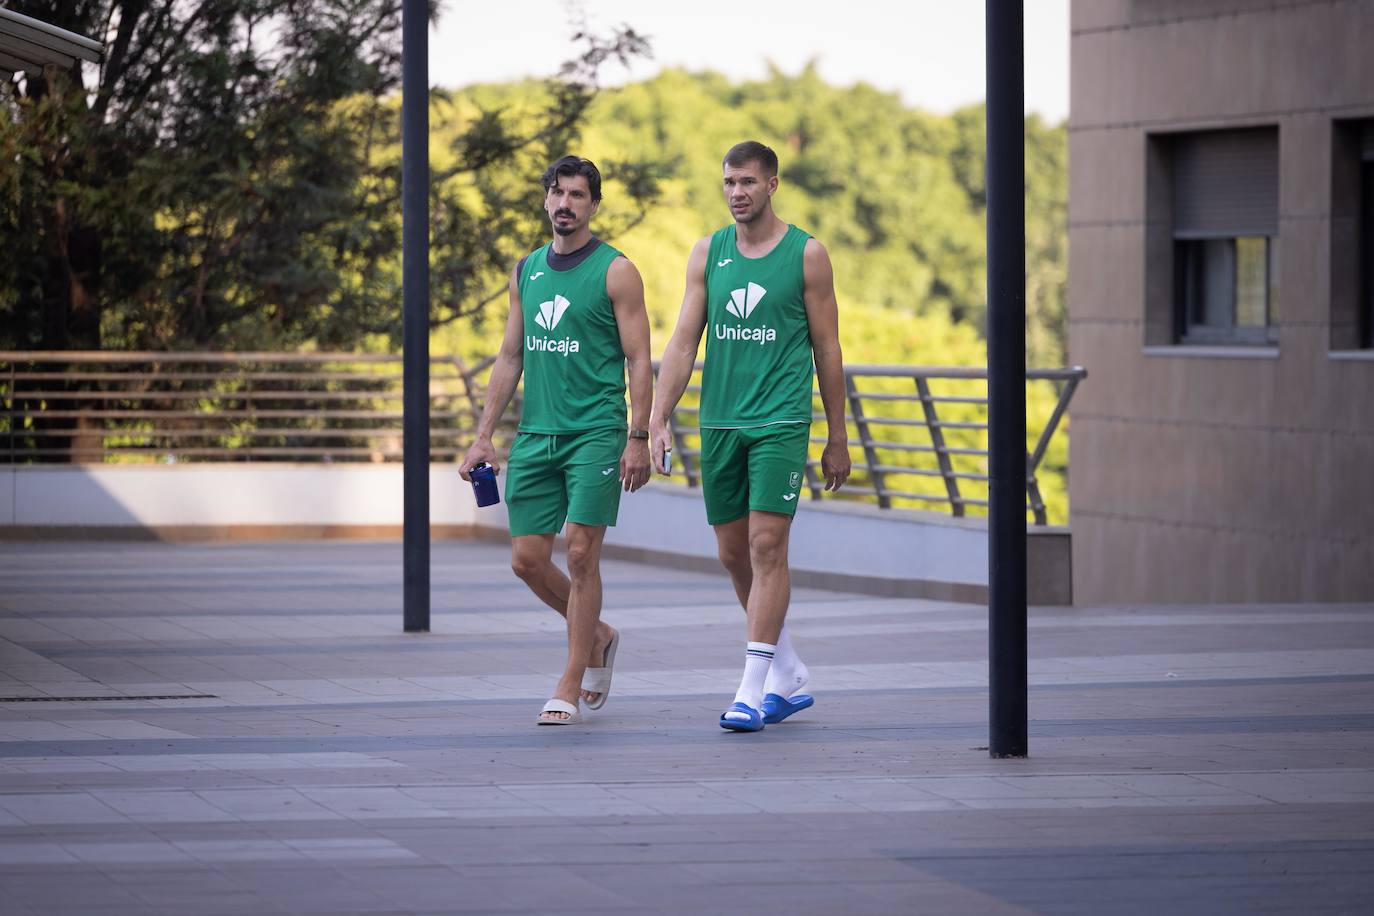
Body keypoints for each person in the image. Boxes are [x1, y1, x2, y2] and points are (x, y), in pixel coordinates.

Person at [650, 140, 851, 732]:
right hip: (720, 421)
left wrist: (837, 434)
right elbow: (685, 342)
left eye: (748, 182)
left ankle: (750, 688)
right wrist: (657, 418)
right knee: (733, 552)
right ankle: (787, 669)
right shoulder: (708, 252)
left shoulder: (807, 254)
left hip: (780, 421)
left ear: (772, 185)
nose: (737, 192)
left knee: (767, 546)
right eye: (729, 182)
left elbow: (828, 347)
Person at [460, 155, 653, 726]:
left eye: (577, 195)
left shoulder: (617, 271)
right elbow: (510, 355)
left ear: (594, 205)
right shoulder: (527, 270)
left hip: (595, 433)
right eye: (557, 192)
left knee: (581, 553)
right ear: (546, 200)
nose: (565, 203)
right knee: (525, 560)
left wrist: (637, 436)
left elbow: (641, 358)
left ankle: (571, 680)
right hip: (536, 435)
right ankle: (598, 634)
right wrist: (482, 437)